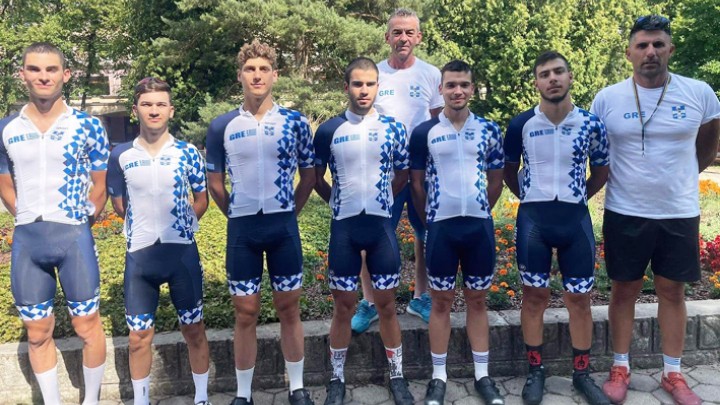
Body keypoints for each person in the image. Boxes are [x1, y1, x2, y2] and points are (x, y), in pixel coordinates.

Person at [591, 15, 720, 405]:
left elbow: (708, 146)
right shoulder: (607, 98)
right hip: (625, 210)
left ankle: (673, 373)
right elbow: (597, 154)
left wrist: (676, 178)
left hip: (678, 211)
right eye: (642, 45)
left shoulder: (699, 93)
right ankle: (620, 367)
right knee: (623, 290)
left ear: (670, 50)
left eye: (658, 44)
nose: (651, 52)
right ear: (629, 52)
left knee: (672, 292)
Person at [205, 39, 316, 405]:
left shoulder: (295, 122)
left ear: (275, 75)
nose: (257, 75)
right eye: (250, 69)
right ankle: (243, 394)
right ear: (240, 75)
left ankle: (297, 388)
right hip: (243, 231)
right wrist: (236, 213)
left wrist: (290, 212)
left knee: (289, 309)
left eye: (264, 69)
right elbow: (215, 183)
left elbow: (309, 176)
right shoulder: (222, 125)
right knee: (245, 312)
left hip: (283, 228)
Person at [0, 42, 108, 405]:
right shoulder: (7, 128)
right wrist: (26, 214)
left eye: (51, 69)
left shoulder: (88, 125)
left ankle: (91, 401)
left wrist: (81, 220)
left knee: (87, 326)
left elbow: (100, 186)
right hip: (29, 240)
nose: (43, 76)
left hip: (73, 236)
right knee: (36, 332)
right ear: (22, 75)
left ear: (66, 74)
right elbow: (4, 183)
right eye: (34, 69)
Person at [504, 51, 610, 405]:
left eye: (558, 72)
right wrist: (529, 198)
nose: (552, 78)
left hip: (575, 221)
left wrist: (577, 197)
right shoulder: (520, 124)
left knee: (579, 299)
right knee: (534, 297)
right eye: (545, 74)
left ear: (570, 76)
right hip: (533, 221)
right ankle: (536, 371)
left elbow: (601, 170)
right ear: (536, 82)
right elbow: (508, 171)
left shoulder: (591, 123)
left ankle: (582, 374)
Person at [314, 57, 414, 405]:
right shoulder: (328, 130)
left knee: (386, 305)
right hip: (344, 228)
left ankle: (397, 376)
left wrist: (384, 198)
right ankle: (336, 378)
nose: (363, 90)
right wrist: (337, 201)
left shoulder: (393, 128)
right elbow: (315, 178)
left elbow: (403, 174)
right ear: (347, 87)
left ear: (377, 87)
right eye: (357, 84)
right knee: (343, 307)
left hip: (380, 227)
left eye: (370, 84)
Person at [107, 77, 211, 405]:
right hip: (140, 258)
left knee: (194, 330)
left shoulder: (187, 152)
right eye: (147, 104)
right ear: (135, 109)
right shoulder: (121, 154)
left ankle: (202, 399)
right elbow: (119, 204)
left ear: (171, 110)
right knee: (138, 337)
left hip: (181, 256)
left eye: (160, 104)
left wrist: (180, 227)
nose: (154, 110)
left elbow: (202, 199)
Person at [409, 60, 505, 405]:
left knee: (477, 301)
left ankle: (482, 376)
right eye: (451, 85)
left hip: (478, 227)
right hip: (441, 229)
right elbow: (416, 184)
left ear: (472, 89)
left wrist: (479, 209)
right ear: (441, 89)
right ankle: (438, 377)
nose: (458, 91)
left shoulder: (489, 129)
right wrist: (432, 219)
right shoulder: (424, 132)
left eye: (464, 84)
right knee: (440, 302)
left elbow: (496, 180)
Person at [350, 7, 444, 333]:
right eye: (397, 32)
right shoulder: (374, 74)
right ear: (387, 37)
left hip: (421, 170)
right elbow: (360, 119)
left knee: (424, 233)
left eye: (409, 32)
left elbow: (438, 123)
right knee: (371, 236)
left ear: (418, 37)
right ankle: (370, 302)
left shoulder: (431, 74)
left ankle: (420, 297)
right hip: (381, 172)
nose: (403, 38)